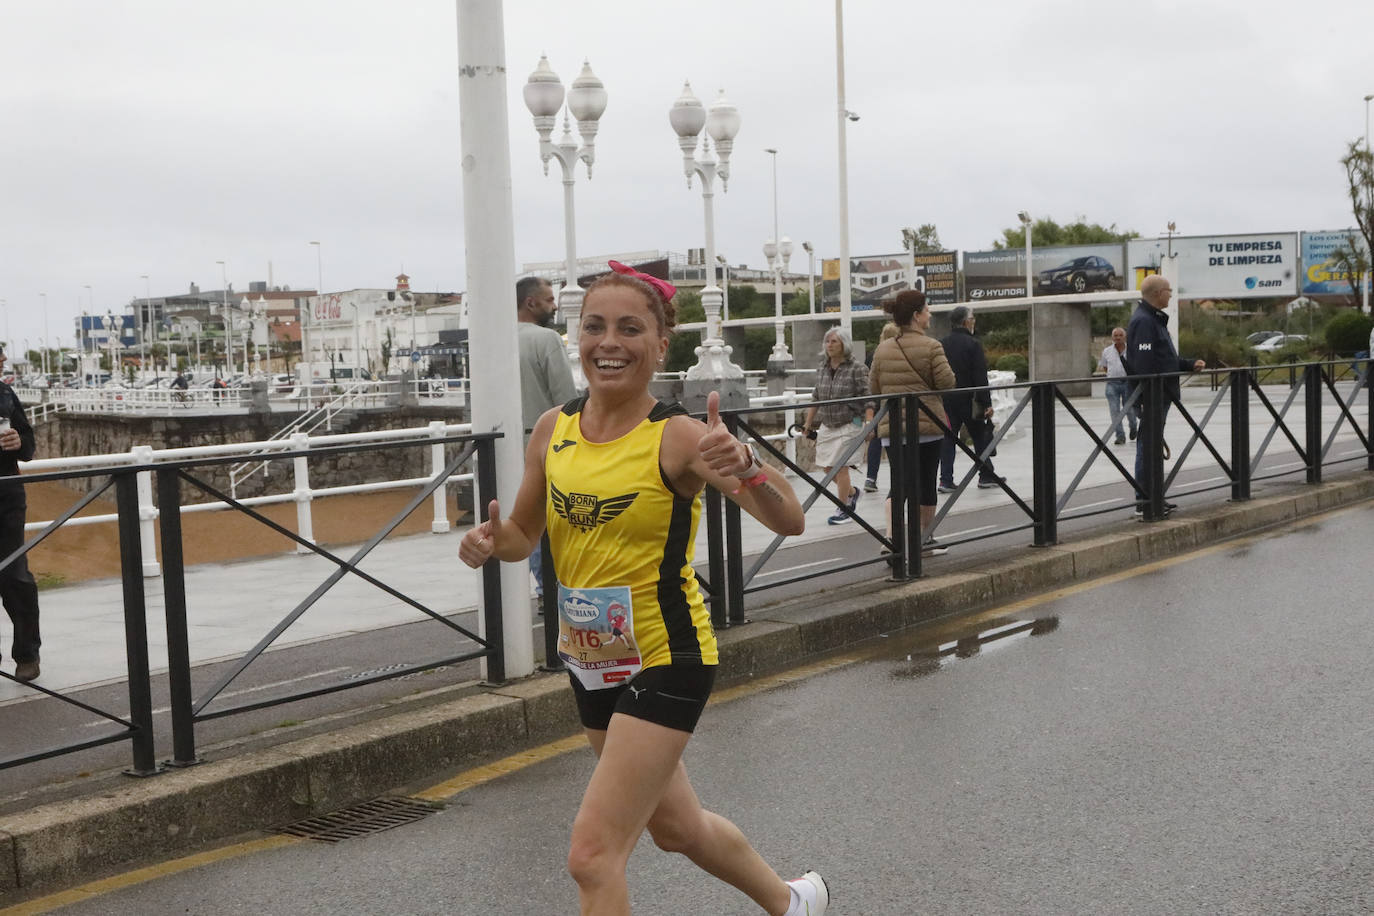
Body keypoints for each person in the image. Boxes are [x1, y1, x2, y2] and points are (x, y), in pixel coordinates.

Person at [459, 262, 827, 916]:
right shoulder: (554, 430)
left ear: (661, 345)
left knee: (592, 856)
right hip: (593, 658)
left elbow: (790, 520)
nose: (609, 342)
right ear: (576, 338)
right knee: (677, 829)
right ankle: (794, 902)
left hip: (668, 654)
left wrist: (746, 465)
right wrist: (490, 545)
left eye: (631, 329)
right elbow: (521, 531)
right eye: (595, 326)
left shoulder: (678, 437)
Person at [869, 289, 956, 555]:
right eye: (927, 310)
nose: (930, 314)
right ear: (917, 316)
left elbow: (874, 388)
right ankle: (924, 541)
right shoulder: (932, 346)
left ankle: (893, 540)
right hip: (927, 427)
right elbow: (947, 383)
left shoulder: (883, 349)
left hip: (893, 430)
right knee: (926, 483)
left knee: (900, 483)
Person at [516, 276, 578, 601]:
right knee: (544, 517)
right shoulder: (547, 340)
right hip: (544, 442)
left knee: (517, 518)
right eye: (550, 299)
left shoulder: (492, 341)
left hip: (501, 445)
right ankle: (549, 593)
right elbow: (566, 400)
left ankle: (520, 596)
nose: (554, 306)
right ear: (531, 303)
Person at [1127, 274, 1205, 516]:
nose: (1171, 295)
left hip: (1160, 393)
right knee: (1147, 446)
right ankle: (1146, 501)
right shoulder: (1144, 322)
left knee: (1151, 445)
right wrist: (1148, 394)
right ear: (1158, 293)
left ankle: (1154, 497)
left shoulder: (1154, 320)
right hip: (1153, 395)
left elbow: (1164, 359)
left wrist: (1188, 364)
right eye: (1169, 290)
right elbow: (1144, 363)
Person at [801, 327, 874, 525]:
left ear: (844, 344)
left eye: (834, 341)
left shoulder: (857, 368)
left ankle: (844, 508)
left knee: (841, 467)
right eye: (827, 342)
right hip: (828, 424)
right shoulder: (823, 367)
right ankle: (851, 493)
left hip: (851, 422)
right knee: (827, 466)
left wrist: (869, 423)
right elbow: (816, 396)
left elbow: (868, 398)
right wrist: (808, 424)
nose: (829, 345)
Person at [0, 346, 41, 682]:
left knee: (15, 576)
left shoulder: (6, 393)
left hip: (8, 498)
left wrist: (19, 443)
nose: (3, 362)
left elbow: (29, 443)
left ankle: (27, 654)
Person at [938, 305, 1000, 492]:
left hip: (947, 399)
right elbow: (980, 375)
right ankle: (986, 475)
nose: (974, 321)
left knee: (948, 438)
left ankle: (945, 480)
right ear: (966, 322)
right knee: (979, 436)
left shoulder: (941, 343)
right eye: (972, 318)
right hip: (970, 399)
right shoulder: (973, 344)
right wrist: (987, 403)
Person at [1097, 327, 1137, 445]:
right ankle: (1120, 436)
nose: (1118, 337)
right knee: (1114, 411)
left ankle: (1134, 427)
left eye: (1120, 335)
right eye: (1115, 335)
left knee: (1129, 409)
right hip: (1112, 384)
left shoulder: (1131, 350)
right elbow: (1105, 367)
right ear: (1112, 337)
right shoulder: (1107, 351)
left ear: (1125, 337)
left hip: (1127, 383)